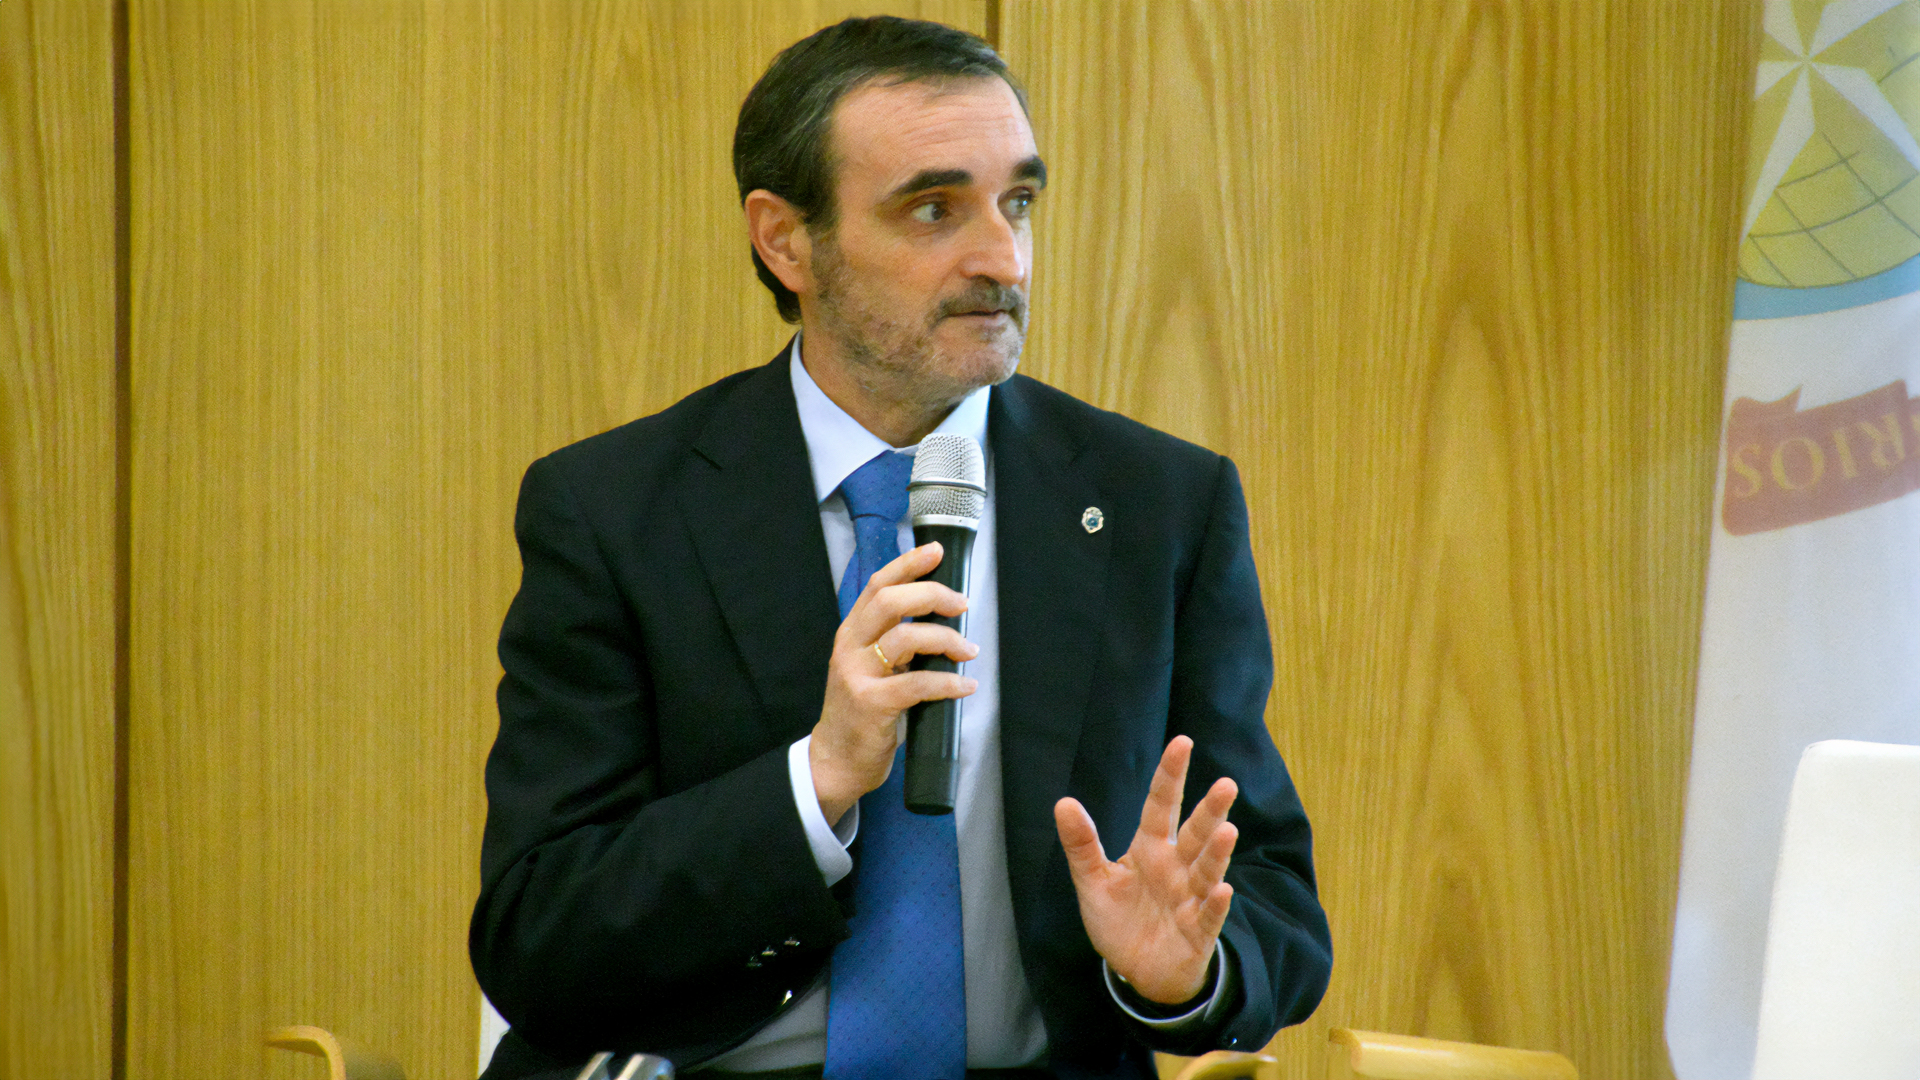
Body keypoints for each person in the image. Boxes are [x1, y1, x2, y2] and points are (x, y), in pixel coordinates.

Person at [471, 17, 1331, 1080]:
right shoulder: (614, 510)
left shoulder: (1158, 504)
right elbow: (536, 933)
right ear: (786, 240)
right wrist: (815, 783)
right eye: (934, 209)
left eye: (1018, 202)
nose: (1002, 259)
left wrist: (1185, 975)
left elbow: (1275, 899)